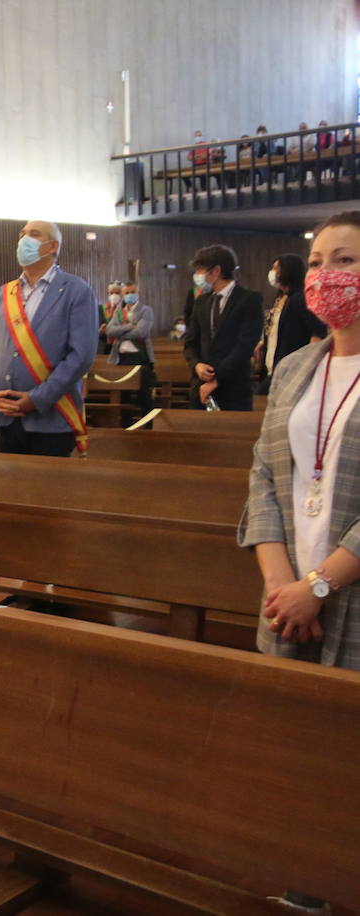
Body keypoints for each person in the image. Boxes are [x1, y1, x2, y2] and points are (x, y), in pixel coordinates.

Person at [239, 210, 360, 916]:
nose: (323, 276)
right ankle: (302, 887)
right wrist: (282, 584)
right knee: (293, 762)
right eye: (315, 262)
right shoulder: (294, 366)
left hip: (346, 595)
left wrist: (320, 584)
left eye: (343, 259)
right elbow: (263, 476)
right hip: (286, 600)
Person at [0, 221, 97, 457]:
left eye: (33, 234)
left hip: (52, 419)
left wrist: (38, 398)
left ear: (52, 246)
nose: (24, 240)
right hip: (5, 418)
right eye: (22, 234)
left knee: (47, 493)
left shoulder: (76, 290)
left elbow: (80, 356)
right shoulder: (4, 293)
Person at [182, 244, 265, 411]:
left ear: (216, 271)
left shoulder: (249, 299)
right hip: (201, 385)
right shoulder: (201, 301)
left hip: (233, 386)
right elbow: (190, 342)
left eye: (200, 270)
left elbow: (245, 346)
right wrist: (196, 364)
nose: (197, 276)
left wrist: (217, 378)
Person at [258, 253, 325, 394]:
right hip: (272, 365)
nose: (272, 272)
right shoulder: (281, 297)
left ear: (289, 270)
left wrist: (309, 360)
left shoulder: (301, 298)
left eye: (276, 268)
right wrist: (263, 343)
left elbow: (317, 330)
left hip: (290, 367)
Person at [104, 281, 157, 419]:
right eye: (127, 293)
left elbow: (141, 332)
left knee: (144, 395)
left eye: (132, 292)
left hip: (139, 356)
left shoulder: (146, 310)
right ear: (123, 294)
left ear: (138, 293)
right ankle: (125, 426)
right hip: (122, 357)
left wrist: (119, 333)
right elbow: (109, 331)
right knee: (123, 395)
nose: (130, 295)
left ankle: (149, 425)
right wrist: (128, 327)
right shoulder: (119, 312)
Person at [99, 282, 124, 354]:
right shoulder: (100, 308)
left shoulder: (126, 308)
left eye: (117, 293)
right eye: (111, 293)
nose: (114, 295)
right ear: (108, 294)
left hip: (122, 346)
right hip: (104, 346)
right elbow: (93, 329)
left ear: (122, 294)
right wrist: (100, 330)